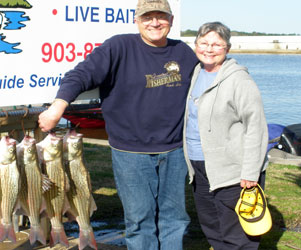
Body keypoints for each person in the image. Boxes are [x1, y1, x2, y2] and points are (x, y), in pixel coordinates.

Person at [38, 0, 198, 249]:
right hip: (130, 152)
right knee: (139, 220)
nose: (154, 22)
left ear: (171, 20)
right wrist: (58, 106)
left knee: (174, 218)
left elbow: (211, 79)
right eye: (147, 17)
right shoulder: (118, 47)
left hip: (175, 151)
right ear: (137, 21)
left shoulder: (184, 52)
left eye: (160, 16)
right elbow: (81, 74)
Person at [183, 22, 268, 250]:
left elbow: (256, 127)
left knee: (237, 235)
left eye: (217, 45)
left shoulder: (240, 81)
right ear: (196, 45)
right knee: (213, 228)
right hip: (200, 167)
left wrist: (251, 171)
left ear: (227, 48)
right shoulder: (197, 72)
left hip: (233, 171)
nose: (209, 49)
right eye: (204, 43)